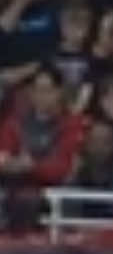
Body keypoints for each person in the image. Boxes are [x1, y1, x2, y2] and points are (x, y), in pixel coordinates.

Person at [0, 61, 84, 225]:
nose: (41, 96)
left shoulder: (73, 124)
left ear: (60, 91)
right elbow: (5, 153)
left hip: (56, 197)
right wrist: (8, 162)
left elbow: (63, 167)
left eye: (47, 90)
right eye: (36, 90)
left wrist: (32, 166)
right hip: (16, 191)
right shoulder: (13, 123)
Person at [0, 0, 57, 98]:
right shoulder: (6, 5)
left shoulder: (54, 7)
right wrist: (19, 3)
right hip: (5, 79)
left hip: (41, 79)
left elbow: (62, 48)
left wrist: (27, 70)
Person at [53, 0, 93, 110]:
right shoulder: (52, 55)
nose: (74, 31)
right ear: (62, 27)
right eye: (69, 26)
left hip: (80, 105)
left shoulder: (90, 55)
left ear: (87, 30)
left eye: (80, 27)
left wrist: (77, 108)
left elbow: (88, 85)